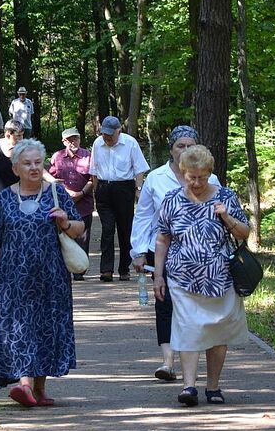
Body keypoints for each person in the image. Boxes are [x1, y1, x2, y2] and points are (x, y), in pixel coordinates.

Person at [0, 138, 84, 406]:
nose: (34, 168)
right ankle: (24, 385)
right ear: (15, 168)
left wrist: (65, 221)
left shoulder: (56, 193)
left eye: (38, 163)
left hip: (51, 276)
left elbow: (79, 228)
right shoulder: (5, 198)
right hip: (14, 277)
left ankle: (39, 389)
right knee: (22, 327)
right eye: (27, 163)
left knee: (46, 327)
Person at [153, 144, 250, 408]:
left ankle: (213, 386)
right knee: (188, 328)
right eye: (191, 177)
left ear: (210, 173)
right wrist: (158, 276)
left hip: (220, 278)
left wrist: (226, 217)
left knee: (217, 331)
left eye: (202, 177)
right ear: (183, 173)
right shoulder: (172, 200)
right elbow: (162, 239)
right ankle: (189, 386)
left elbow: (244, 233)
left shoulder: (226, 197)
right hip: (182, 277)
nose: (196, 182)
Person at [130, 125, 221, 382]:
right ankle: (168, 361)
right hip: (163, 251)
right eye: (180, 145)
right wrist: (137, 251)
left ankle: (194, 363)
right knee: (166, 304)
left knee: (197, 309)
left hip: (204, 258)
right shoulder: (156, 179)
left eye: (190, 145)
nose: (185, 150)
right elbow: (144, 215)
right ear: (171, 149)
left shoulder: (211, 179)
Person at [89, 116, 149, 282]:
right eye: (104, 134)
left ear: (118, 131)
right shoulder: (97, 144)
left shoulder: (130, 143)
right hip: (103, 188)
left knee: (125, 230)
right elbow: (94, 170)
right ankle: (106, 270)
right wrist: (96, 192)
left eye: (110, 135)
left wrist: (138, 190)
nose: (106, 138)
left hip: (124, 189)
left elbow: (139, 169)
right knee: (107, 229)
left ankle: (124, 269)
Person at [48, 127, 94, 281]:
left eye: (76, 138)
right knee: (63, 236)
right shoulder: (57, 157)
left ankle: (79, 269)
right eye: (70, 139)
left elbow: (93, 179)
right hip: (62, 205)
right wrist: (65, 192)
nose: (73, 142)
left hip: (84, 203)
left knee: (83, 237)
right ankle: (64, 268)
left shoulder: (88, 155)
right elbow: (51, 180)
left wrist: (80, 194)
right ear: (64, 141)